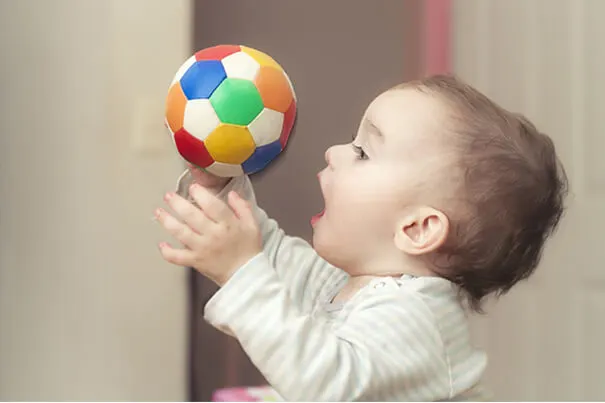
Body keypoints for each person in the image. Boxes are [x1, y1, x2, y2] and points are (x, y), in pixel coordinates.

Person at [154, 74, 568, 401]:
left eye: (362, 152)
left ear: (417, 229)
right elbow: (270, 259)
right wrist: (220, 188)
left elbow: (326, 385)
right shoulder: (343, 284)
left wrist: (242, 271)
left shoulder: (416, 318)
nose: (334, 152)